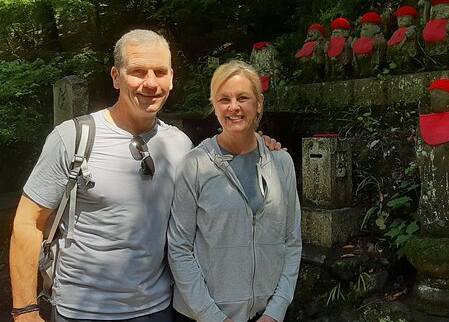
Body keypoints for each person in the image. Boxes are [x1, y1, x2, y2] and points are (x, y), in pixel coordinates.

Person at [9, 30, 282, 322]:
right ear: (116, 77)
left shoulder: (179, 145)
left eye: (160, 72)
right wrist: (25, 309)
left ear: (171, 78)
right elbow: (28, 221)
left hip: (159, 307)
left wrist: (258, 144)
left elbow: (213, 204)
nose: (150, 83)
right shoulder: (73, 138)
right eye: (138, 72)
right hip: (82, 310)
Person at [168, 61, 301, 322]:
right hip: (202, 315)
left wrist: (276, 311)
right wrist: (212, 316)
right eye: (224, 99)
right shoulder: (194, 165)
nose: (234, 107)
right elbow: (179, 248)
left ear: (258, 104)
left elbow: (291, 241)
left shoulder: (281, 163)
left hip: (266, 315)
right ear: (214, 106)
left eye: (243, 98)